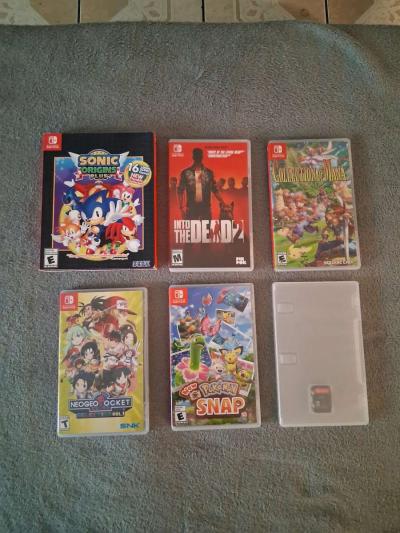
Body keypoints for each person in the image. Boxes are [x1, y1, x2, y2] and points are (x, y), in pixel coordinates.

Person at [177, 148, 226, 220]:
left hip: (205, 208)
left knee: (206, 227)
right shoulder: (185, 172)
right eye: (196, 155)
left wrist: (223, 202)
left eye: (199, 155)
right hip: (191, 208)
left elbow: (215, 189)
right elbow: (180, 191)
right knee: (191, 227)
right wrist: (181, 208)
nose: (198, 157)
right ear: (193, 157)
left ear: (202, 157)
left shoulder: (209, 173)